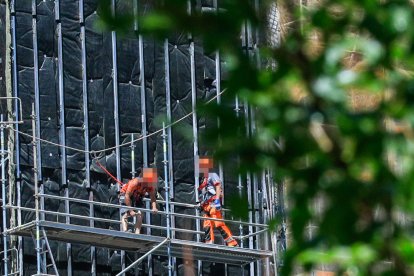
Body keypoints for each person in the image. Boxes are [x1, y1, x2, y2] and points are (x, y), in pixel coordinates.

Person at [197, 157, 238, 247]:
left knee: (218, 223)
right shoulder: (202, 179)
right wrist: (200, 204)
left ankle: (232, 242)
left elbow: (218, 186)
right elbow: (204, 193)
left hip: (212, 203)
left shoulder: (212, 175)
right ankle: (209, 242)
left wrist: (217, 201)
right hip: (206, 205)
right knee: (207, 224)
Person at [120, 168, 158, 234]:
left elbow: (153, 197)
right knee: (126, 213)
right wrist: (131, 210)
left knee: (140, 214)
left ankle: (137, 232)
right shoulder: (134, 182)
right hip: (126, 195)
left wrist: (154, 207)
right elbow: (127, 196)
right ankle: (125, 231)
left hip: (138, 196)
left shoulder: (150, 185)